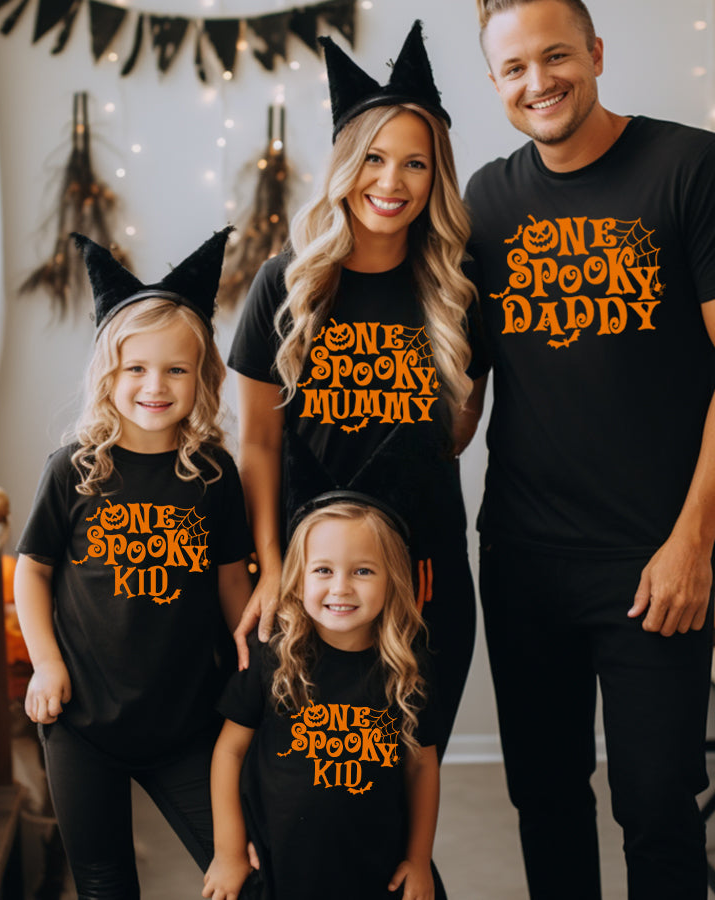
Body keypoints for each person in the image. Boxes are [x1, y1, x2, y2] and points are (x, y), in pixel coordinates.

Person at [464, 1, 715, 898]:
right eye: (515, 68)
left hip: (655, 555)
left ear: (596, 52)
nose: (540, 82)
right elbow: (465, 397)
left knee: (656, 805)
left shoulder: (691, 167)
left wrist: (693, 541)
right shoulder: (485, 200)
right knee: (546, 797)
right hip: (524, 554)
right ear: (495, 83)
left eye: (557, 55)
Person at [228, 20, 486, 760]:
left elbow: (459, 426)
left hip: (428, 574)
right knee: (320, 776)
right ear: (345, 164)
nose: (392, 182)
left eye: (415, 163)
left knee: (411, 767)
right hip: (315, 582)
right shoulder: (287, 285)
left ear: (437, 175)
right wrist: (272, 565)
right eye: (374, 158)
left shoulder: (457, 291)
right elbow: (258, 442)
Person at [14, 227, 254, 897]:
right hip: (82, 722)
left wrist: (251, 664)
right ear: (107, 375)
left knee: (246, 863)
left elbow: (232, 578)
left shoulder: (213, 474)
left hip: (185, 722)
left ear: (202, 375)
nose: (156, 385)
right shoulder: (76, 470)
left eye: (176, 369)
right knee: (102, 879)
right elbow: (31, 568)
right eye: (136, 369)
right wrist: (47, 662)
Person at [202, 495, 442, 900]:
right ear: (298, 578)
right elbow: (229, 752)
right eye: (323, 570)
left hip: (375, 871)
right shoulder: (274, 657)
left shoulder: (407, 670)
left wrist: (419, 860)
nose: (341, 588)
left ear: (393, 578)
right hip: (281, 867)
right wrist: (228, 852)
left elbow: (421, 769)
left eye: (363, 570)